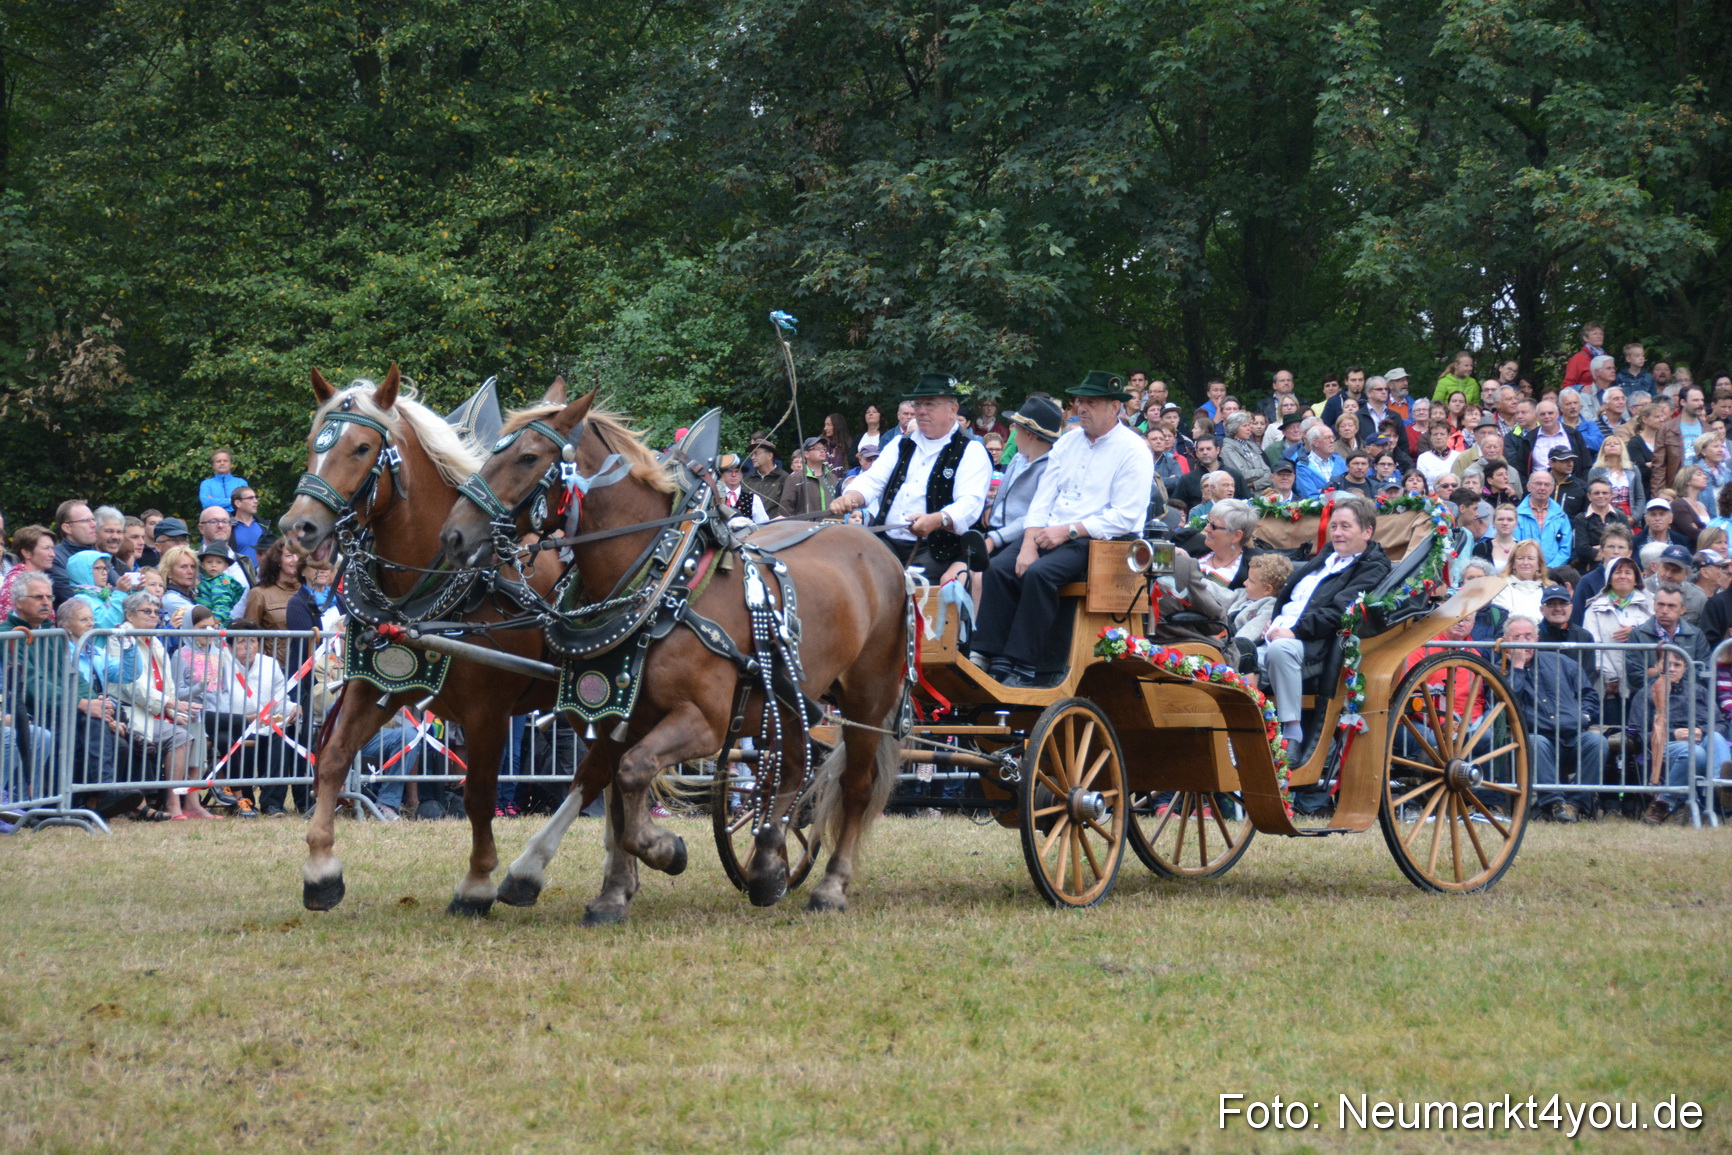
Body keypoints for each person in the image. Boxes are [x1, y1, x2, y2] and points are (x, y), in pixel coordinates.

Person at [971, 371, 1152, 687]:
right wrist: (1029, 541)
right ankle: (987, 656)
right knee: (998, 568)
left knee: (1040, 574)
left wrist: (1067, 531)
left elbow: (1124, 516)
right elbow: (1044, 495)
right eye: (1080, 401)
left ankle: (1028, 666)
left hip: (1100, 542)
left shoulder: (1133, 449)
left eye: (1091, 403)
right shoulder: (1068, 442)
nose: (1082, 408)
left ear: (1115, 408)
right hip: (1051, 530)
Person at [1261, 495, 1390, 811]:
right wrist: (1275, 621)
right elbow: (1293, 598)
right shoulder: (1326, 556)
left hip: (1314, 646)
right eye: (1334, 526)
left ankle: (1291, 735)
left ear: (1367, 532)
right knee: (1228, 652)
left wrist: (1293, 630)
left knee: (1279, 651)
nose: (1338, 533)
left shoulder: (1371, 567)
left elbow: (1340, 610)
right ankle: (1244, 734)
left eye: (1346, 526)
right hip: (1278, 633)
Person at [830, 373, 992, 583]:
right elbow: (872, 480)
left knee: (902, 585)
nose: (921, 411)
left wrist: (937, 519)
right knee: (845, 574)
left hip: (938, 549)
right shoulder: (900, 444)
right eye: (918, 404)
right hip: (887, 542)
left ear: (953, 409)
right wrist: (852, 495)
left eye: (930, 404)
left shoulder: (972, 450)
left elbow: (970, 503)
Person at [106, 591, 211, 819]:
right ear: (129, 615)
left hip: (159, 710)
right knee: (180, 736)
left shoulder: (153, 637)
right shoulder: (119, 637)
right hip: (132, 712)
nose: (153, 616)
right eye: (146, 611)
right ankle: (173, 803)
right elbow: (131, 685)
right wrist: (170, 705)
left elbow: (168, 683)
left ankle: (192, 801)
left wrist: (173, 710)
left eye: (156, 612)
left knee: (196, 726)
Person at [1502, 614, 1604, 823]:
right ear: (1506, 641)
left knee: (1597, 742)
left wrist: (1584, 716)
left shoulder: (1562, 662)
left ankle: (1576, 805)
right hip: (1538, 738)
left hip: (1573, 734)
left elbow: (1589, 695)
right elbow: (1506, 703)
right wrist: (1518, 668)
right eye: (1517, 637)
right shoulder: (1500, 670)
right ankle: (1555, 804)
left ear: (1537, 639)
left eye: (1528, 636)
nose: (1523, 643)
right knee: (1535, 742)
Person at [1637, 648, 1721, 826]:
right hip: (1666, 745)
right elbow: (1637, 734)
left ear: (1685, 669)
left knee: (1717, 738)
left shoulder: (1699, 691)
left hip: (1701, 740)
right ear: (1657, 666)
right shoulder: (1646, 693)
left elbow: (1721, 724)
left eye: (1677, 665)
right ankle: (1663, 802)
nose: (1672, 669)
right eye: (1666, 664)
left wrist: (1702, 731)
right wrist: (1671, 734)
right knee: (1695, 753)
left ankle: (1723, 790)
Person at [981, 396, 1061, 556]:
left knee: (979, 577)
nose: (1014, 437)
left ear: (1029, 434)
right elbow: (1003, 497)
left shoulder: (1050, 470)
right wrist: (990, 508)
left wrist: (993, 539)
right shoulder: (1018, 459)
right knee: (955, 575)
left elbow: (1033, 517)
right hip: (995, 532)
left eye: (1016, 431)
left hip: (1018, 539)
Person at [239, 539, 305, 667]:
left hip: (307, 666)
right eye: (289, 555)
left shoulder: (310, 592)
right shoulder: (259, 593)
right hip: (274, 668)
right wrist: (264, 665)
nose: (295, 560)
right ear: (278, 560)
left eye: (298, 555)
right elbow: (249, 636)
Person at [1650, 384, 1707, 489]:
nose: (1700, 403)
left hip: (1704, 487)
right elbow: (1658, 467)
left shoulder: (1708, 429)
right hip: (1677, 487)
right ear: (1683, 402)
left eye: (1702, 400)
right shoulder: (1666, 429)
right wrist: (1659, 496)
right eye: (1695, 400)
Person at [1514, 470, 1572, 569]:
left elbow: (1565, 548)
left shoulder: (1561, 515)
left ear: (1552, 488)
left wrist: (1549, 569)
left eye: (1547, 485)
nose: (1542, 488)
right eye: (1538, 484)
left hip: (1553, 573)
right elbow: (1515, 546)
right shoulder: (1517, 515)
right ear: (1528, 487)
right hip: (1524, 570)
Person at [49, 500, 103, 604]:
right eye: (85, 521)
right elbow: (73, 598)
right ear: (67, 528)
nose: (93, 525)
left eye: (93, 519)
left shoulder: (97, 554)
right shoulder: (55, 558)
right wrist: (106, 592)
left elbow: (118, 584)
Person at [0, 526, 55, 622]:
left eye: (52, 548)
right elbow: (8, 624)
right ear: (27, 553)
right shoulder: (16, 582)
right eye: (46, 548)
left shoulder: (41, 580)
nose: (53, 554)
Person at [1572, 480, 1629, 570]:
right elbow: (1582, 551)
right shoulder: (1581, 519)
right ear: (1589, 496)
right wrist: (1613, 551)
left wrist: (1597, 549)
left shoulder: (1621, 516)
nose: (1601, 496)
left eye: (1604, 493)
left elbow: (1627, 545)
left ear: (1611, 495)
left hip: (1619, 566)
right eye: (1596, 493)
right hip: (1590, 568)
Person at [779, 436, 842, 516]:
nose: (822, 451)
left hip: (831, 526)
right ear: (806, 454)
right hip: (806, 527)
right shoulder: (795, 479)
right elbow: (785, 511)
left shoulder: (833, 478)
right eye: (817, 448)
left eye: (824, 448)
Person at [65, 550, 126, 630]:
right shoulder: (81, 600)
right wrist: (120, 593)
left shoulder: (103, 595)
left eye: (105, 568)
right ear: (83, 571)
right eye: (99, 568)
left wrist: (137, 590)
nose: (104, 573)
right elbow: (106, 624)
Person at [1587, 434, 1644, 518]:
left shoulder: (1633, 469)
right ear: (1603, 450)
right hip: (1605, 515)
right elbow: (1592, 496)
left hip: (1630, 514)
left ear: (1622, 449)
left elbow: (1640, 497)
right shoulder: (1595, 470)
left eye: (1616, 444)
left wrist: (1635, 518)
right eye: (1608, 444)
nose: (1612, 445)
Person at [1219, 411, 1272, 494]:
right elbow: (1242, 474)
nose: (1249, 428)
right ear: (1234, 429)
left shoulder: (1252, 446)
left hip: (1263, 494)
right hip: (1243, 496)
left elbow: (1269, 473)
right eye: (1245, 426)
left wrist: (1254, 484)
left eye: (1249, 425)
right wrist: (1262, 471)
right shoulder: (1227, 449)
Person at [1491, 540, 1547, 620]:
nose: (1525, 562)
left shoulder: (1547, 588)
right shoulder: (1502, 587)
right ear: (1513, 564)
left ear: (1539, 565)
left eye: (1531, 558)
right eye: (1520, 558)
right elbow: (1504, 617)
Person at [195, 545, 247, 625]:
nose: (213, 565)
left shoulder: (220, 582)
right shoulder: (207, 581)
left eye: (219, 562)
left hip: (215, 624)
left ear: (226, 566)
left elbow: (222, 603)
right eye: (209, 562)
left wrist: (215, 621)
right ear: (203, 565)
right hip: (205, 620)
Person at [1294, 425, 1346, 498]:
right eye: (1327, 438)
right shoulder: (1303, 467)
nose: (1332, 441)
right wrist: (1335, 493)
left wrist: (1322, 491)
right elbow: (1310, 498)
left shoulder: (1341, 462)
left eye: (1333, 437)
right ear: (1316, 443)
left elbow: (1350, 490)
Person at [743, 438, 789, 520]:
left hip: (775, 528)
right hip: (752, 529)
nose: (752, 458)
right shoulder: (747, 479)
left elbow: (788, 509)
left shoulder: (784, 478)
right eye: (752, 454)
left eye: (756, 453)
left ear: (769, 456)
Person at [229, 487, 267, 563]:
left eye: (256, 497)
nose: (256, 501)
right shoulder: (228, 527)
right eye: (250, 498)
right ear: (238, 503)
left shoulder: (263, 526)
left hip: (263, 573)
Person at [1563, 322, 1606, 389]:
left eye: (1601, 334)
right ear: (1586, 338)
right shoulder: (1577, 359)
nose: (1599, 336)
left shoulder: (1606, 358)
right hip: (1585, 397)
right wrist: (1581, 388)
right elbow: (1566, 386)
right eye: (1595, 334)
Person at [1547, 449, 1589, 517]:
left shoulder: (1582, 487)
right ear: (1551, 463)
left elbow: (1586, 515)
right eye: (1564, 460)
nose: (1570, 464)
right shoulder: (1540, 484)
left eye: (1571, 460)